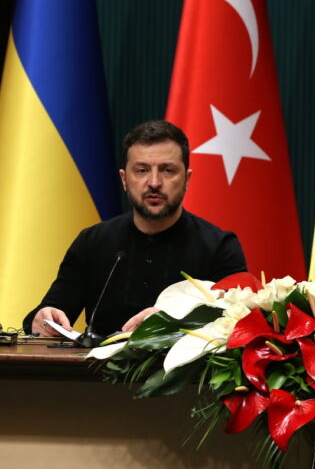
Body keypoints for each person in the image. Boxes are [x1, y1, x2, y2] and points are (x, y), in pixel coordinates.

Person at [24, 121, 247, 338]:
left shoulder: (219, 247)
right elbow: (51, 313)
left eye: (167, 170)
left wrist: (175, 321)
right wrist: (42, 318)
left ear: (187, 179)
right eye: (141, 170)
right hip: (94, 374)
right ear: (124, 179)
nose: (154, 182)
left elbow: (238, 324)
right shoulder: (92, 241)